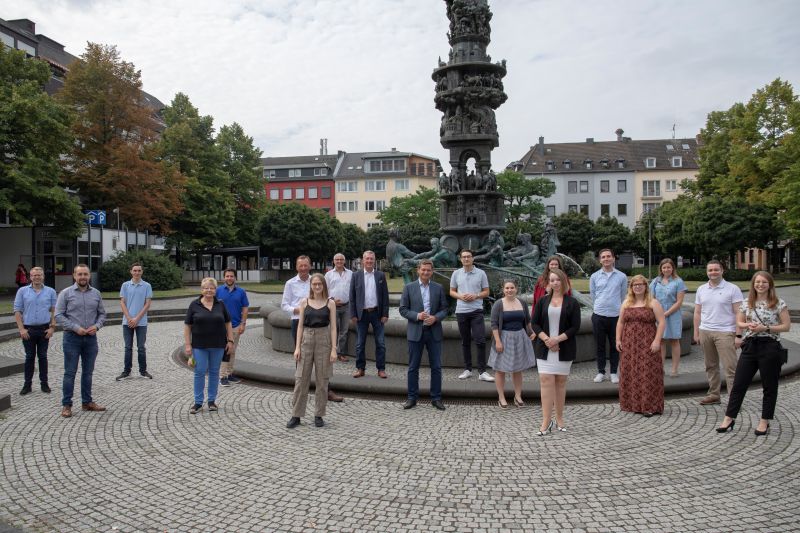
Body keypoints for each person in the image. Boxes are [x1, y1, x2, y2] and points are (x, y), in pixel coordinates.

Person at [717, 271, 790, 436]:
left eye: (764, 282)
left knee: (769, 386)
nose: (760, 285)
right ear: (753, 284)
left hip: (770, 346)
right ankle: (729, 418)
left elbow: (786, 326)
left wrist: (766, 328)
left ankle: (765, 421)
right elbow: (739, 321)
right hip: (750, 346)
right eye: (758, 282)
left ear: (770, 284)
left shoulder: (778, 303)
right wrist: (747, 325)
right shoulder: (747, 302)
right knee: (739, 384)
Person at [283, 255, 343, 402]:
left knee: (323, 362)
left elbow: (325, 298)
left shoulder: (316, 281)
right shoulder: (290, 283)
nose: (303, 268)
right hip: (299, 323)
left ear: (310, 266)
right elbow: (284, 305)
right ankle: (301, 390)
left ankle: (325, 390)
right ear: (296, 267)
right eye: (300, 266)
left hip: (320, 324)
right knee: (301, 359)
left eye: (306, 265)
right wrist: (301, 310)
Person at [531, 268, 581, 435]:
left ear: (564, 282)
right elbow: (535, 323)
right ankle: (546, 421)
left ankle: (559, 418)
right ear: (548, 283)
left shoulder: (572, 303)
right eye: (552, 280)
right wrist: (547, 340)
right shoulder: (542, 301)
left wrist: (557, 340)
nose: (555, 283)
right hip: (544, 348)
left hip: (564, 347)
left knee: (560, 383)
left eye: (558, 280)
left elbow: (575, 326)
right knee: (545, 382)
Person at [286, 274, 338, 428]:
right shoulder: (304, 302)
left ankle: (319, 414)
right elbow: (300, 326)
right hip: (306, 340)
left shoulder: (330, 303)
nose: (317, 287)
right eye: (314, 284)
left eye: (319, 284)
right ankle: (296, 415)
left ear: (324, 286)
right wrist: (297, 348)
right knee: (301, 379)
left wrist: (334, 349)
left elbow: (334, 327)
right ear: (311, 286)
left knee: (322, 380)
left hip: (324, 340)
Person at [55, 264, 107, 418]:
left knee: (88, 373)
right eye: (80, 274)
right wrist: (75, 328)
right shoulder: (65, 293)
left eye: (85, 274)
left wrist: (97, 326)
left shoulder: (96, 293)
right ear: (74, 275)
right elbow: (58, 315)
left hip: (91, 339)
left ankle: (87, 402)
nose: (83, 277)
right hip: (72, 338)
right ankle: (66, 405)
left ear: (89, 275)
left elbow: (102, 314)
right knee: (70, 373)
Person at [399, 260, 448, 411]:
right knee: (413, 367)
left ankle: (436, 398)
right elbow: (403, 309)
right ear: (418, 270)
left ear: (432, 272)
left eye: (428, 270)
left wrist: (436, 318)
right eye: (423, 270)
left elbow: (445, 309)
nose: (426, 272)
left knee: (436, 367)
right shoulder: (409, 287)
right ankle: (412, 398)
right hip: (416, 332)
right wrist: (417, 316)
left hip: (434, 332)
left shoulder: (438, 288)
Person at [694, 260, 744, 405]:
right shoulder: (701, 289)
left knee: (730, 368)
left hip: (726, 332)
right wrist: (696, 333)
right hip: (706, 331)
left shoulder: (732, 289)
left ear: (722, 271)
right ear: (707, 272)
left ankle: (734, 400)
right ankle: (714, 394)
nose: (713, 272)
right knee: (710, 366)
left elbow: (739, 313)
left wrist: (739, 335)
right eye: (710, 270)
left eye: (716, 269)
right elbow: (697, 312)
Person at [616, 275, 667, 417]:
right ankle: (631, 404)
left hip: (647, 341)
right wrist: (618, 340)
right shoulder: (626, 303)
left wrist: (657, 341)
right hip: (629, 343)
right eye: (634, 285)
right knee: (630, 371)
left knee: (648, 372)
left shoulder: (653, 302)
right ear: (631, 288)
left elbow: (661, 322)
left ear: (646, 286)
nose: (637, 287)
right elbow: (620, 322)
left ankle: (649, 405)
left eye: (640, 284)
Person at [184, 277, 234, 414]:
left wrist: (230, 341)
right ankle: (198, 402)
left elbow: (228, 323)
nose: (209, 290)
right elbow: (187, 326)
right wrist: (188, 344)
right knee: (199, 372)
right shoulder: (194, 305)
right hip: (199, 345)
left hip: (218, 344)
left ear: (215, 290)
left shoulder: (221, 304)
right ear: (202, 290)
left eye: (212, 288)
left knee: (213, 372)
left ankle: (212, 401)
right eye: (206, 288)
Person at [488, 279, 535, 408]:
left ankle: (518, 396)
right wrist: (498, 341)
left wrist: (531, 332)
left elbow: (527, 321)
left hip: (520, 337)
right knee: (500, 369)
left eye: (512, 288)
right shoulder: (498, 304)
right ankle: (501, 397)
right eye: (507, 288)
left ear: (516, 289)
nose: (509, 290)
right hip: (504, 338)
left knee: (518, 369)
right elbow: (494, 324)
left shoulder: (522, 303)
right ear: (503, 290)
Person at [450, 249, 494, 383]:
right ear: (460, 259)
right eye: (464, 257)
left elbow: (486, 292)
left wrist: (476, 295)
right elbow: (452, 291)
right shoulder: (456, 273)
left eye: (468, 257)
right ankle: (467, 369)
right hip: (461, 310)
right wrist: (460, 296)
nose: (466, 259)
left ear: (473, 259)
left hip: (476, 310)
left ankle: (482, 371)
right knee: (465, 341)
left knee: (480, 340)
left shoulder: (481, 273)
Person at [13, 266, 56, 395]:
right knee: (29, 357)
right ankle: (27, 385)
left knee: (43, 357)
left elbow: (54, 311)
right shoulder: (22, 291)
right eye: (34, 275)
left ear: (43, 276)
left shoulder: (50, 291)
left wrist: (52, 328)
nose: (37, 277)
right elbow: (17, 310)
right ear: (30, 277)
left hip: (44, 330)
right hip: (28, 330)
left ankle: (44, 384)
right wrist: (21, 329)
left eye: (39, 275)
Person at [589, 248, 627, 384]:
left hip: (616, 316)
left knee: (615, 345)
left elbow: (623, 296)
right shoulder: (594, 276)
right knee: (599, 345)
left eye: (608, 256)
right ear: (600, 260)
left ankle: (613, 372)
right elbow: (593, 295)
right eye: (603, 257)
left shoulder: (622, 276)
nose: (606, 259)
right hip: (599, 314)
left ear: (613, 258)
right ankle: (601, 371)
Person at [350, 250, 390, 379]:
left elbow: (385, 296)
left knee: (381, 343)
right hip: (362, 314)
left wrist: (385, 314)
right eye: (367, 259)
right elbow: (352, 297)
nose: (369, 261)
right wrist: (353, 314)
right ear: (363, 260)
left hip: (377, 313)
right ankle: (360, 368)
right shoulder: (356, 276)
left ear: (374, 260)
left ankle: (381, 369)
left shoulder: (380, 275)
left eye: (371, 259)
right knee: (360, 343)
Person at [116, 262, 153, 381]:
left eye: (139, 271)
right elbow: (122, 302)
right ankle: (126, 371)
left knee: (141, 347)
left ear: (142, 272)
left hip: (141, 322)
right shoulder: (125, 285)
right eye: (135, 270)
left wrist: (136, 318)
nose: (137, 272)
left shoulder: (147, 286)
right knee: (128, 347)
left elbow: (147, 304)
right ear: (131, 272)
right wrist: (129, 318)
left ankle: (143, 371)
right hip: (127, 322)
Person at [649, 258, 687, 377]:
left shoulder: (678, 281)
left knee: (674, 341)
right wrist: (658, 313)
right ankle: (661, 368)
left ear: (672, 268)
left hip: (673, 314)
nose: (666, 269)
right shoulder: (655, 281)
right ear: (661, 269)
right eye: (664, 267)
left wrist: (666, 314)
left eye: (668, 267)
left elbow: (679, 302)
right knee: (661, 341)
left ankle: (675, 369)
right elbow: (651, 298)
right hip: (658, 313)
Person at [217, 268, 249, 386]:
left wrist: (243, 323)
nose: (229, 278)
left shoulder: (241, 292)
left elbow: (245, 308)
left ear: (235, 278)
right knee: (225, 350)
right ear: (224, 277)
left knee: (233, 350)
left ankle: (229, 374)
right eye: (227, 276)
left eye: (231, 276)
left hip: (235, 325)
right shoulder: (218, 291)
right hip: (221, 326)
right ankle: (222, 376)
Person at [325, 253, 352, 362]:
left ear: (344, 261)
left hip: (346, 306)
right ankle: (332, 351)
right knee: (333, 329)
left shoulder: (350, 273)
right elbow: (324, 290)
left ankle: (341, 353)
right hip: (333, 306)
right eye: (337, 259)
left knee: (344, 330)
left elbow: (353, 289)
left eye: (341, 259)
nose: (339, 261)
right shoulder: (328, 275)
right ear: (333, 261)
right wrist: (331, 300)